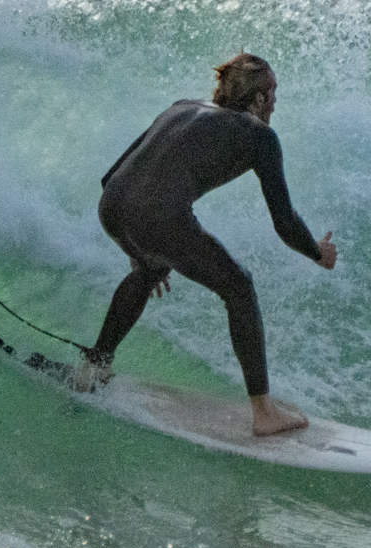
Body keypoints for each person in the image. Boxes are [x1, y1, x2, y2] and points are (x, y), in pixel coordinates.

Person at [76, 52, 337, 436]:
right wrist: (317, 252)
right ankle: (264, 413)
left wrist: (138, 250)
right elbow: (284, 222)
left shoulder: (180, 108)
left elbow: (111, 176)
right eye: (273, 92)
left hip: (112, 205)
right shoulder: (259, 135)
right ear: (259, 98)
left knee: (152, 267)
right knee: (239, 286)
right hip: (159, 216)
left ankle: (94, 367)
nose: (277, 101)